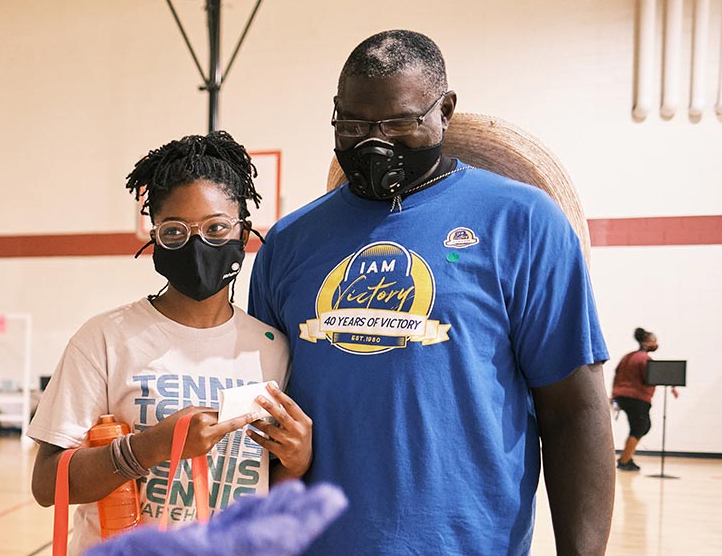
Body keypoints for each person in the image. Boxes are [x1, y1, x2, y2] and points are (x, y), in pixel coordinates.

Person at [248, 30, 613, 555]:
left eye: (399, 122)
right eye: (353, 125)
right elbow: (268, 414)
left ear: (445, 110)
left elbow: (574, 410)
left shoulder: (523, 222)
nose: (376, 143)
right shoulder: (289, 242)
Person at [30, 132, 312, 554]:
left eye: (216, 227)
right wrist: (153, 445)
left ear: (243, 231)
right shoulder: (105, 338)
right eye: (176, 231)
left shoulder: (272, 348)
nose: (197, 244)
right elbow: (47, 484)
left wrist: (297, 461)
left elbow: (269, 494)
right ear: (155, 237)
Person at [612, 327, 677, 471]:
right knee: (641, 427)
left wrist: (613, 395)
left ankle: (627, 457)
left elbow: (617, 374)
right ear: (646, 343)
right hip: (637, 398)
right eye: (654, 341)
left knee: (639, 427)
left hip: (621, 396)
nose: (656, 343)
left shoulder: (627, 356)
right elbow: (651, 378)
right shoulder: (645, 359)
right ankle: (624, 461)